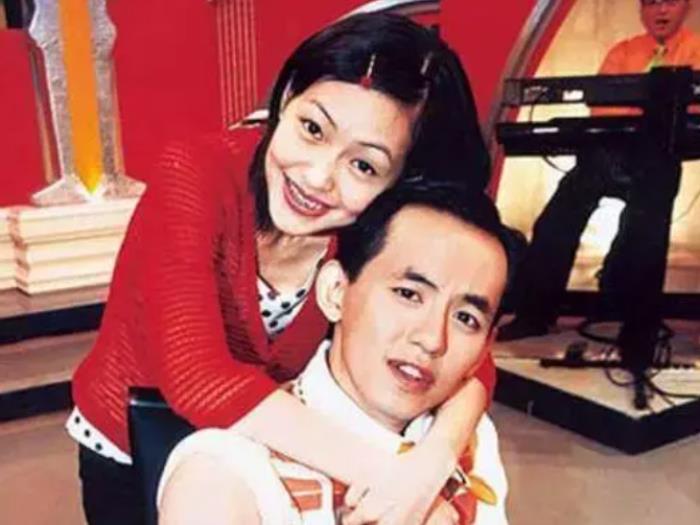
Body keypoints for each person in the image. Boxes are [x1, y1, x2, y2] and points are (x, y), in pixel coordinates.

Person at [67, 12, 497, 525]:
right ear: (288, 96)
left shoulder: (372, 230)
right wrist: (393, 479)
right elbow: (197, 377)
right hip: (134, 441)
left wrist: (431, 465)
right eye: (312, 129)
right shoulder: (196, 174)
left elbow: (472, 360)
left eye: (363, 165)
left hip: (277, 445)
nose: (316, 177)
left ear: (401, 181)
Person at [157, 182, 511, 525]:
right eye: (408, 294)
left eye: (466, 318)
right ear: (335, 292)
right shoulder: (223, 476)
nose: (433, 339)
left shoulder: (471, 437)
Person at [498, 0, 700, 374]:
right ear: (642, 11)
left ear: (685, 8)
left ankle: (638, 333)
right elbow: (602, 107)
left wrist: (642, 113)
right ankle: (534, 314)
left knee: (645, 228)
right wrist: (644, 111)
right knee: (556, 220)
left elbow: (690, 116)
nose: (660, 11)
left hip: (659, 156)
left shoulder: (695, 50)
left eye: (669, 2)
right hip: (610, 152)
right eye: (651, 3)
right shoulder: (623, 51)